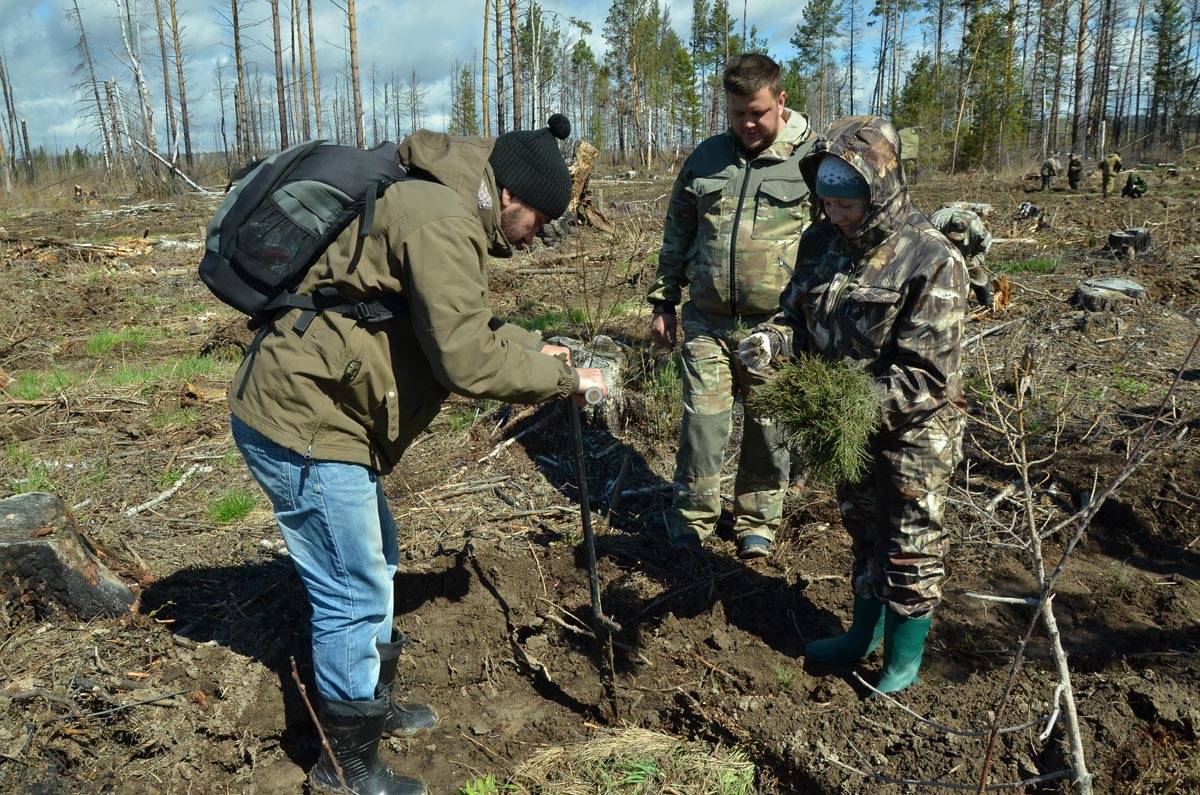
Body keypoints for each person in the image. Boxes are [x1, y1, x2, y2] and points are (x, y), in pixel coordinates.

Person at [227, 116, 607, 794]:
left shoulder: (446, 201)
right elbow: (464, 358)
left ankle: (373, 703)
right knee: (352, 586)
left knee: (378, 557)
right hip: (306, 417)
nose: (535, 237)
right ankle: (346, 767)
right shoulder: (440, 218)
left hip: (333, 409)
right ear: (511, 197)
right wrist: (563, 379)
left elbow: (453, 320)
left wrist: (532, 347)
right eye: (539, 220)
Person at [738, 116, 966, 694]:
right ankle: (861, 636)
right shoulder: (820, 245)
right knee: (864, 533)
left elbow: (927, 376)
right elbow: (797, 317)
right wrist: (773, 341)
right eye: (827, 202)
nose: (835, 216)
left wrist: (852, 408)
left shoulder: (931, 258)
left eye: (847, 205)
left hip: (914, 435)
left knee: (910, 545)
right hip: (849, 429)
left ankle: (902, 659)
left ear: (880, 190)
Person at [646, 53, 815, 559]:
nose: (746, 123)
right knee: (703, 423)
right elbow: (677, 232)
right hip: (706, 319)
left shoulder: (813, 158)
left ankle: (757, 521)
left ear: (780, 101)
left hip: (776, 326)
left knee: (769, 426)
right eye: (737, 112)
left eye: (757, 112)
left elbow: (835, 240)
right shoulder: (706, 158)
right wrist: (663, 302)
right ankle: (693, 517)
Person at [929, 205, 994, 309]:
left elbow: (983, 250)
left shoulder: (978, 230)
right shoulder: (935, 225)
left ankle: (987, 305)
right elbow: (926, 251)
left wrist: (975, 262)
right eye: (952, 238)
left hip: (965, 248)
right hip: (937, 248)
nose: (954, 241)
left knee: (977, 275)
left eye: (957, 239)